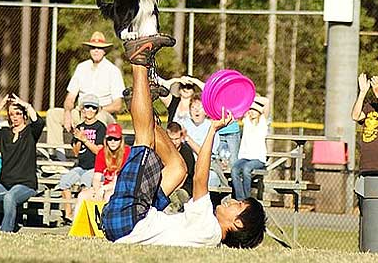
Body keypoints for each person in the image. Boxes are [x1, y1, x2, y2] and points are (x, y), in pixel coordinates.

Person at [101, 37, 266, 248]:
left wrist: (213, 129)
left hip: (128, 221)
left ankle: (138, 60)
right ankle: (143, 101)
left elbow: (199, 178)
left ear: (238, 223)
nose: (232, 201)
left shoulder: (209, 228)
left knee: (144, 141)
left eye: (239, 205)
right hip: (131, 221)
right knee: (178, 169)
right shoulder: (209, 233)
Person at [46, 31, 125, 158]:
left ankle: (97, 160)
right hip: (80, 112)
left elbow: (118, 105)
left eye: (99, 48)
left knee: (99, 120)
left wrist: (94, 111)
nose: (96, 51)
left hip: (103, 113)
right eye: (93, 47)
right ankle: (58, 160)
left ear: (105, 50)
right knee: (53, 114)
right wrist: (67, 112)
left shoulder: (113, 71)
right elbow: (70, 97)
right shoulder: (81, 68)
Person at [0, 94, 44, 232]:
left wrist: (26, 105)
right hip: (4, 184)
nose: (15, 117)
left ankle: (6, 231)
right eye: (12, 114)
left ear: (24, 116)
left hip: (25, 185)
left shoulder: (30, 132)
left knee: (10, 197)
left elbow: (39, 122)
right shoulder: (5, 133)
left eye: (18, 113)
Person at [55, 94, 106, 223]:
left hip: (96, 168)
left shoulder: (100, 127)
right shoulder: (79, 126)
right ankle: (69, 214)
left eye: (93, 108)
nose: (89, 110)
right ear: (82, 109)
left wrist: (85, 139)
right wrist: (78, 139)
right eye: (87, 107)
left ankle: (82, 215)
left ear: (97, 110)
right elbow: (76, 152)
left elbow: (99, 151)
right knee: (64, 182)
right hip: (81, 166)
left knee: (85, 182)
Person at [74, 123, 131, 215]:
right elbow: (97, 177)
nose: (112, 141)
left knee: (108, 196)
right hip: (105, 186)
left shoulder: (127, 152)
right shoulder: (102, 153)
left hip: (122, 187)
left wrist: (103, 189)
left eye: (116, 139)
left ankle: (108, 225)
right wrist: (97, 190)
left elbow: (122, 180)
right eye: (109, 139)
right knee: (82, 196)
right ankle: (78, 226)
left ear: (121, 140)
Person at [231, 97, 269, 200]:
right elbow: (240, 108)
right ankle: (240, 198)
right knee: (234, 170)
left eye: (254, 110)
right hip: (245, 157)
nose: (252, 112)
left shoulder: (263, 123)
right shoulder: (246, 120)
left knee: (247, 169)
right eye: (250, 109)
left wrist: (252, 97)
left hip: (258, 159)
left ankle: (247, 198)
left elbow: (266, 102)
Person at [182, 95, 222, 187]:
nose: (196, 110)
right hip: (186, 165)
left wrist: (187, 139)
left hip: (206, 166)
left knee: (211, 178)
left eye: (200, 108)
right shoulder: (184, 125)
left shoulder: (212, 128)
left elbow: (205, 154)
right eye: (193, 107)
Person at [165, 121, 195, 213]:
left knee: (175, 200)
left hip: (183, 187)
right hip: (168, 185)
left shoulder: (186, 152)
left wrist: (171, 190)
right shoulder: (165, 151)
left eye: (176, 139)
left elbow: (184, 176)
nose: (174, 142)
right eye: (171, 139)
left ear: (181, 137)